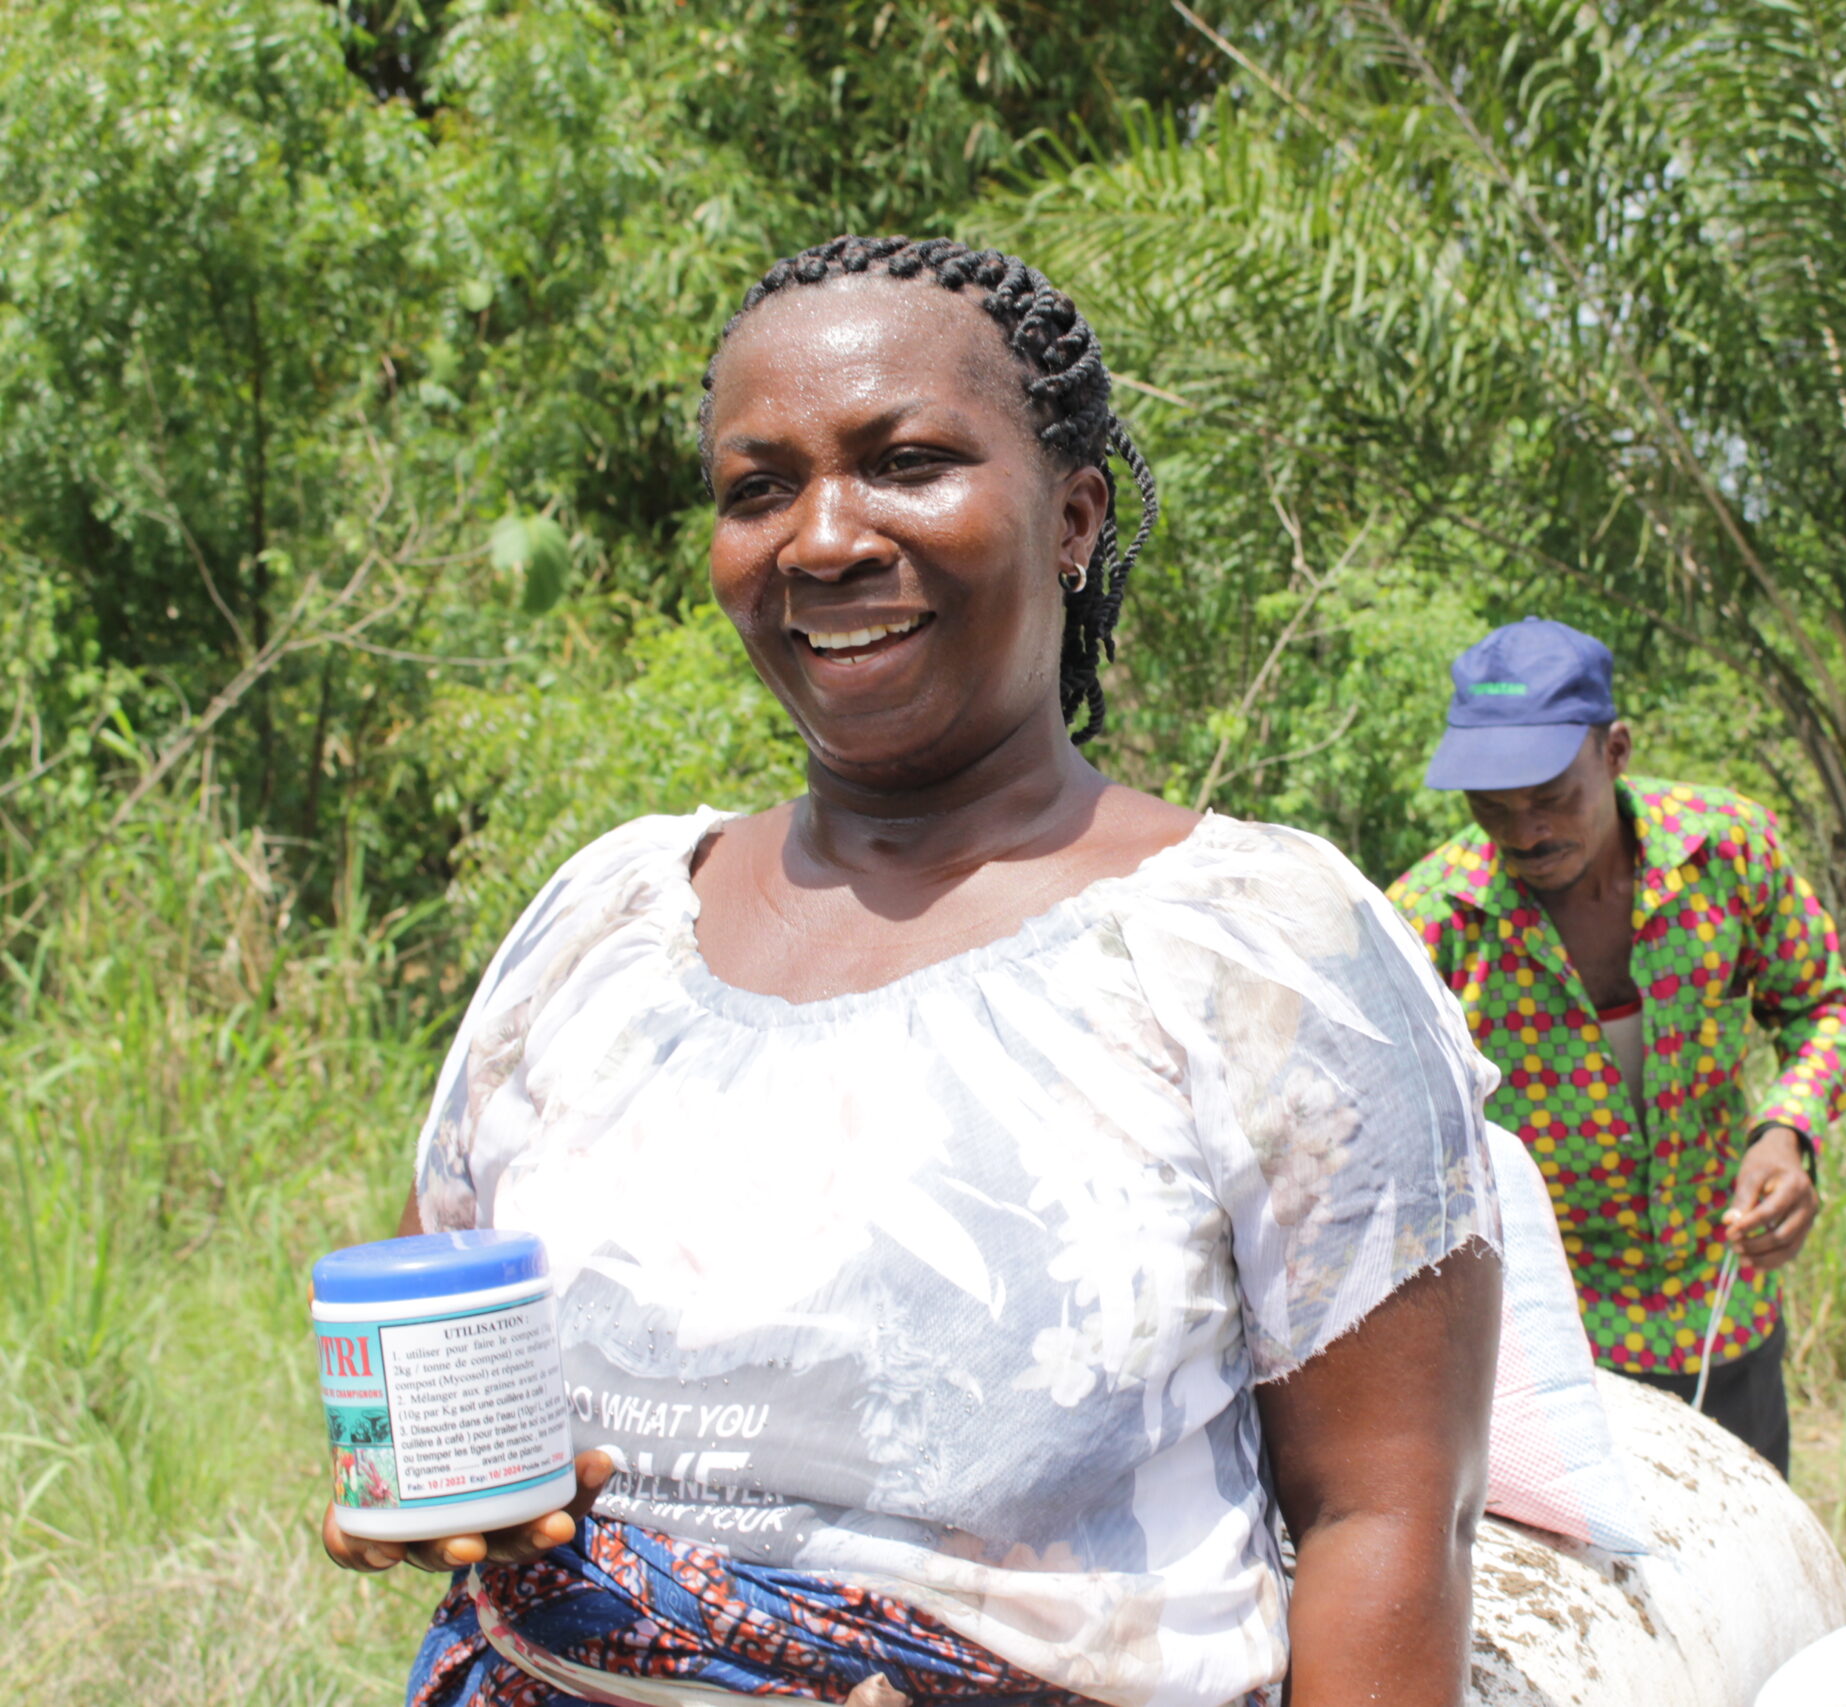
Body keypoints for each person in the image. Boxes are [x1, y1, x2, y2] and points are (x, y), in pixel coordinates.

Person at [321, 236, 1503, 1707]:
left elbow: (1383, 1515)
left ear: (1073, 516)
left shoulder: (1258, 951)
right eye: (759, 487)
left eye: (907, 461)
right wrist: (455, 1485)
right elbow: (442, 1318)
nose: (823, 537)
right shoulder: (604, 920)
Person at [1385, 617, 1846, 1478]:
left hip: (1724, 1304)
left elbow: (1823, 1002)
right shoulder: (1433, 922)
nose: (1525, 832)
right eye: (1493, 806)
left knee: (1752, 1569)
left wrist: (1788, 1133)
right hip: (1551, 1344)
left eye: (1551, 796)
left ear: (1615, 750)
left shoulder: (1727, 854)